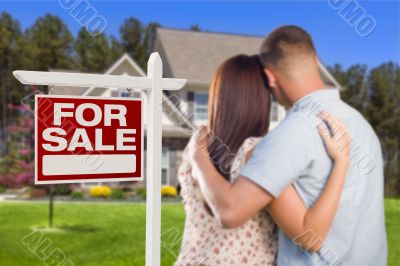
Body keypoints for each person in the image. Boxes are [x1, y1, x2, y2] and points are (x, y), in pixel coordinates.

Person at [188, 26, 387, 266]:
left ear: (270, 77)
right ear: (314, 59)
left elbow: (230, 212)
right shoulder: (362, 126)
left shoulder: (290, 135)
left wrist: (198, 157)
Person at [175, 54, 351, 266]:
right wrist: (342, 163)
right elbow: (308, 236)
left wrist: (198, 158)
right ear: (261, 99)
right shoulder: (256, 153)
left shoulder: (195, 148)